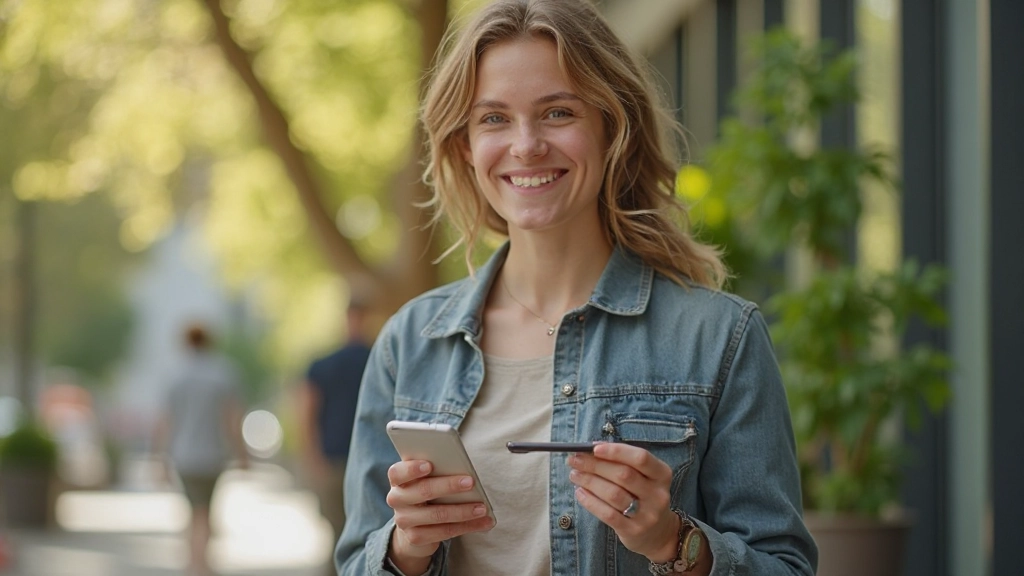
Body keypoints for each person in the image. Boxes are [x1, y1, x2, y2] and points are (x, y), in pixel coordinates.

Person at [336, 0, 818, 574]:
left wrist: (673, 541)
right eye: (493, 118)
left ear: (612, 127)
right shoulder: (409, 342)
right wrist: (405, 549)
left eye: (558, 112)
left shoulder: (719, 338)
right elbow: (355, 560)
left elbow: (785, 565)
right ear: (465, 145)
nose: (526, 145)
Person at [153, 323, 248, 576]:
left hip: (184, 456)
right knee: (205, 511)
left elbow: (165, 422)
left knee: (192, 510)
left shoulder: (175, 376)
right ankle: (202, 565)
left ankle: (193, 564)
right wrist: (242, 454)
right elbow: (232, 418)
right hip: (213, 456)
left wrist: (160, 459)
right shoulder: (223, 373)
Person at [298, 300, 373, 573]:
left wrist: (311, 456)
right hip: (361, 460)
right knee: (362, 534)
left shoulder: (323, 365)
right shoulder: (379, 360)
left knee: (338, 534)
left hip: (344, 461)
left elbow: (305, 413)